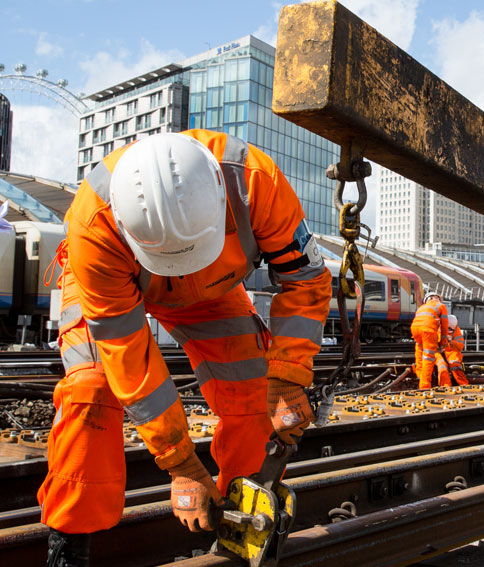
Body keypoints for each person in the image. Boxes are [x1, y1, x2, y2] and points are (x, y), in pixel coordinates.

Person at [40, 131, 330, 566]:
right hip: (111, 286)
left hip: (214, 287)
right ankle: (68, 548)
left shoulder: (256, 184)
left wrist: (289, 376)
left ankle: (242, 526)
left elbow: (305, 282)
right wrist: (180, 462)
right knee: (92, 391)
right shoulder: (93, 226)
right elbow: (129, 355)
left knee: (254, 395)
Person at [411, 289, 450, 390]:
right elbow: (444, 325)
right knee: (428, 357)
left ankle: (419, 375)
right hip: (428, 329)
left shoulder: (421, 307)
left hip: (415, 329)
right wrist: (443, 342)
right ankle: (424, 386)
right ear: (437, 298)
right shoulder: (441, 306)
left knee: (420, 352)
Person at [436, 315, 469, 386]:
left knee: (455, 365)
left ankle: (464, 385)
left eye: (452, 330)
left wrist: (451, 342)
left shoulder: (457, 331)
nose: (450, 331)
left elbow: (460, 347)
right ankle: (445, 386)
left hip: (451, 352)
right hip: (438, 352)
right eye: (448, 329)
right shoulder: (437, 329)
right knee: (442, 366)